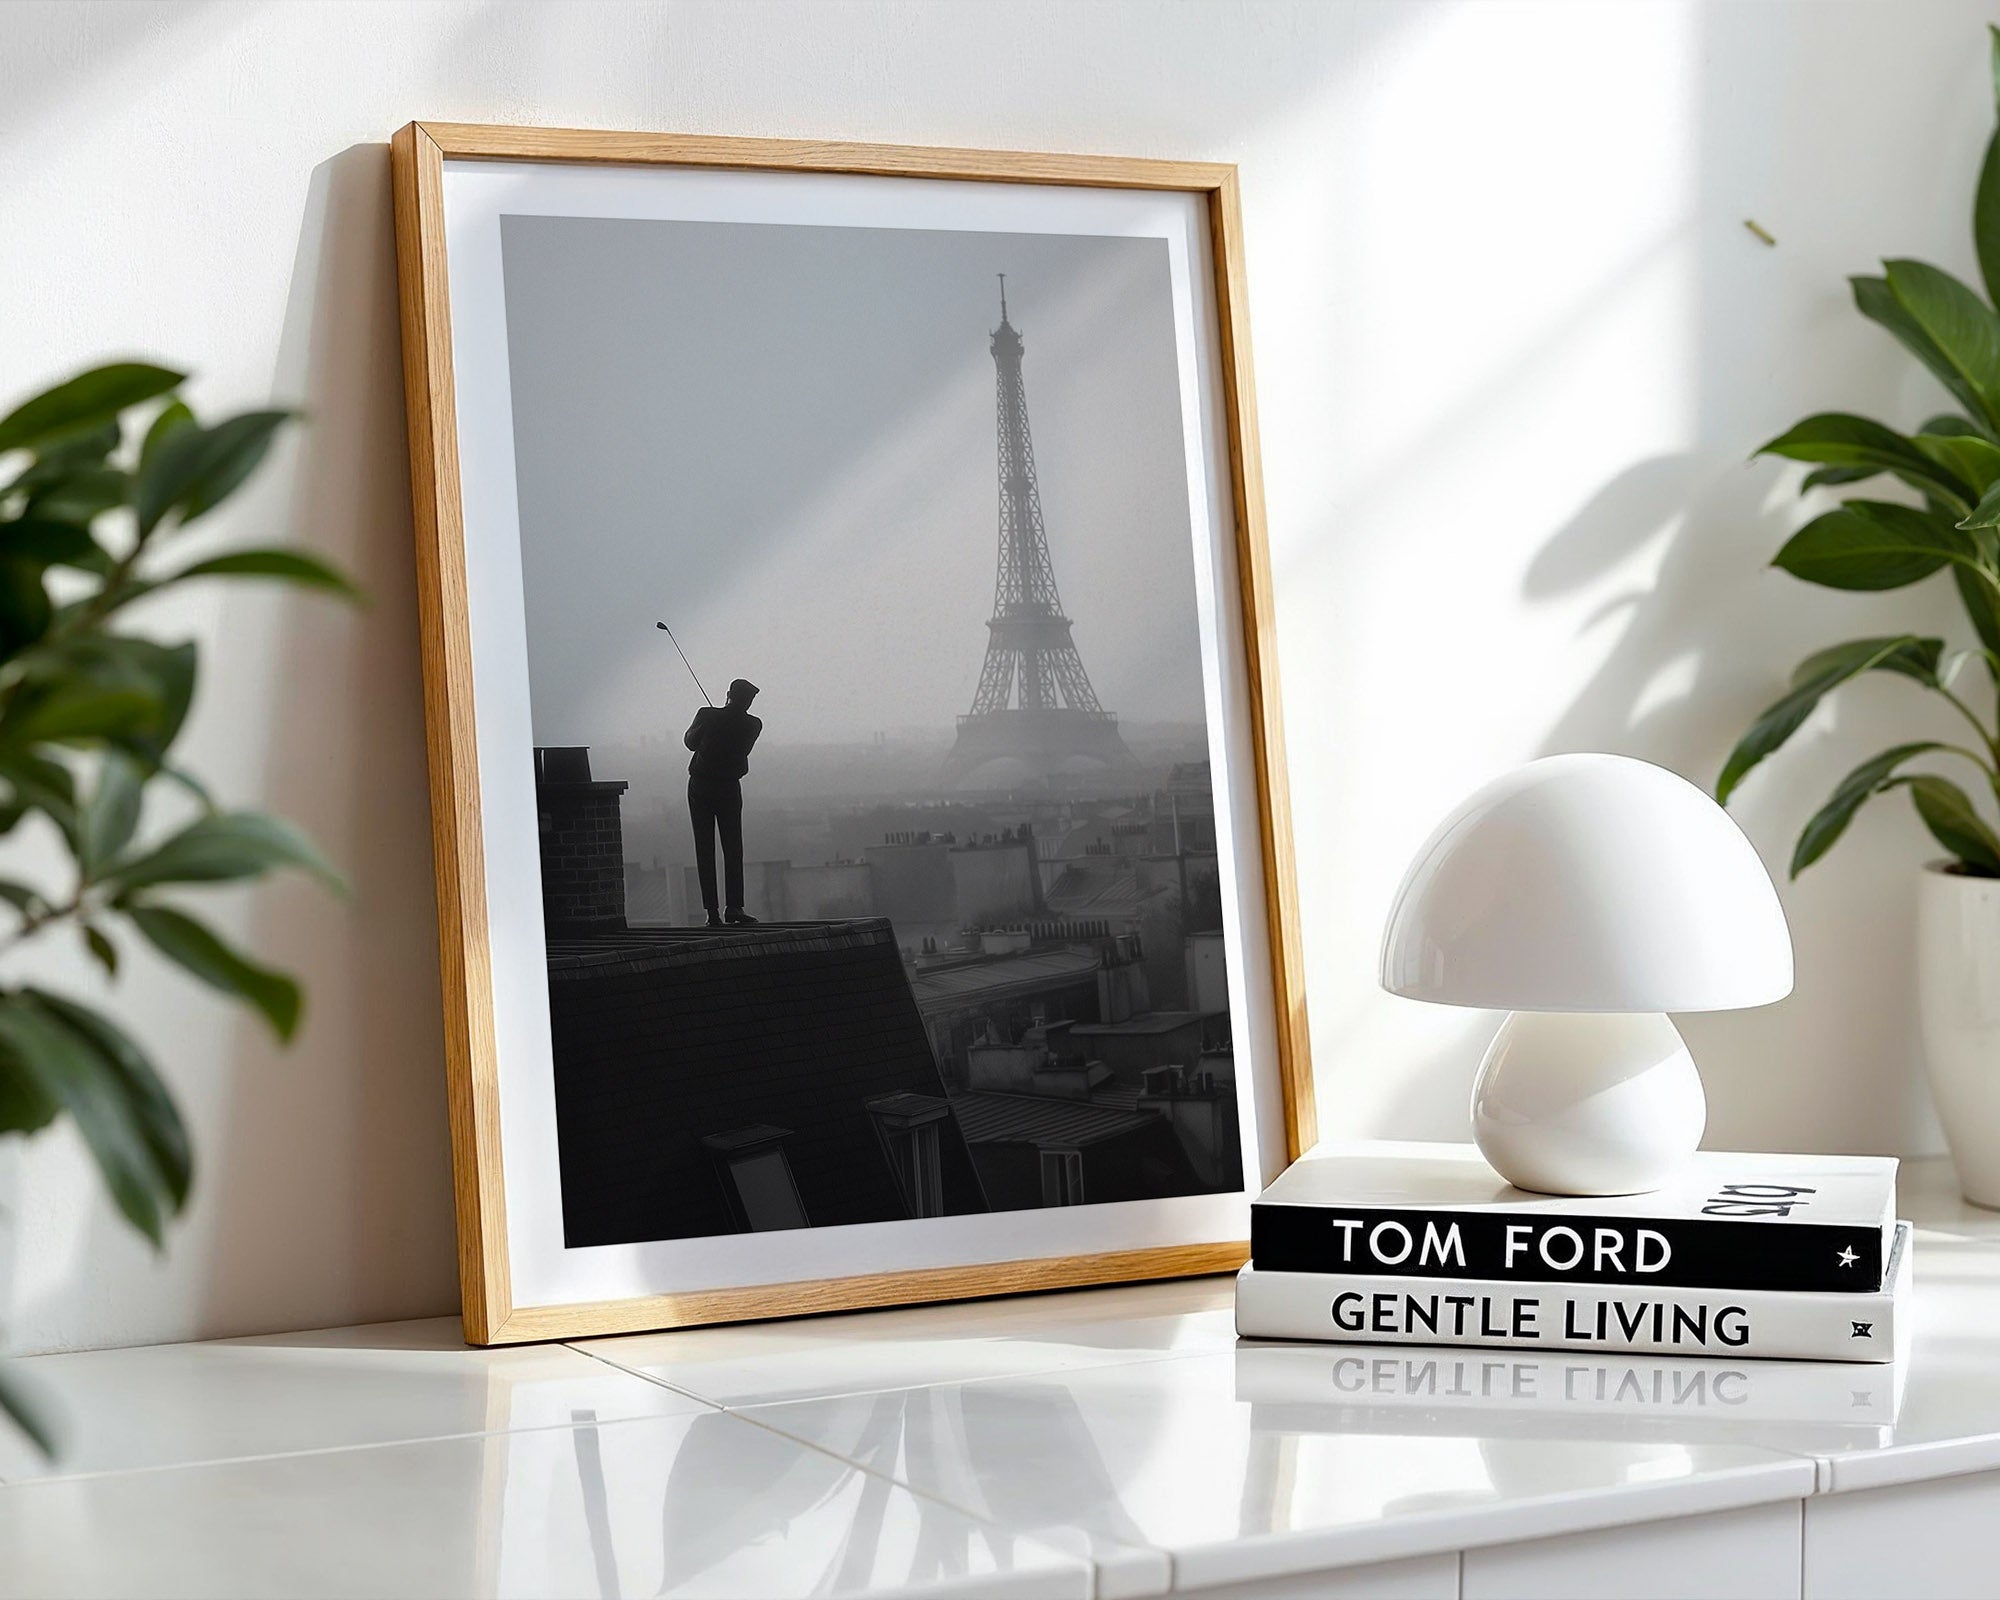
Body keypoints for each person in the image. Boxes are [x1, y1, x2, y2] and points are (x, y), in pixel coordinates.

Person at [685, 678, 762, 927]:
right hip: (729, 786)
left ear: (728, 694)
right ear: (748, 701)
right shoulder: (753, 724)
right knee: (733, 847)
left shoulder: (707, 715)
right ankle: (735, 907)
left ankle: (712, 912)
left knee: (704, 847)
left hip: (702, 785)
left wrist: (709, 722)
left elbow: (690, 742)